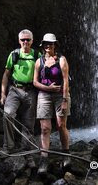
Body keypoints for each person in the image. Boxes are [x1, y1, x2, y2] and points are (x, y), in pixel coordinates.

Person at [33, 33, 71, 174]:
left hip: (60, 96)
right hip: (44, 95)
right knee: (45, 128)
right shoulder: (39, 61)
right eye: (46, 44)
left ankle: (66, 155)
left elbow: (66, 80)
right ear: (42, 46)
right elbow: (35, 82)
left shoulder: (61, 60)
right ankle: (44, 160)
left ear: (55, 45)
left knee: (61, 125)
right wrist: (47, 88)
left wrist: (65, 99)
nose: (48, 46)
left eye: (51, 43)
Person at [0, 29, 38, 168]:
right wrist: (3, 94)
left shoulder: (36, 55)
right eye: (23, 40)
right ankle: (8, 146)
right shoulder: (14, 54)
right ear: (19, 41)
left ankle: (27, 153)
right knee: (8, 114)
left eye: (28, 39)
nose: (25, 42)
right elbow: (6, 74)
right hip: (15, 89)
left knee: (29, 124)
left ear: (32, 41)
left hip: (31, 91)